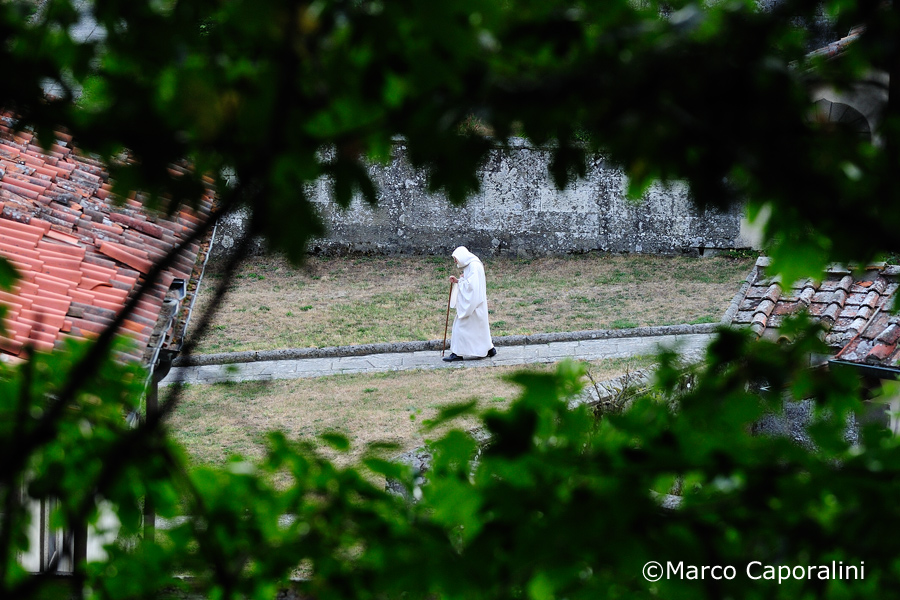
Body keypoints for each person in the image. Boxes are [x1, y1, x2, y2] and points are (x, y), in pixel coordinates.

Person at [443, 246, 497, 362]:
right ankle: (489, 349)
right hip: (477, 304)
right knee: (479, 330)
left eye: (455, 259)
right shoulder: (472, 264)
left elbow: (471, 287)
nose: (455, 261)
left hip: (473, 305)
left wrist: (460, 281)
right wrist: (459, 281)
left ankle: (457, 353)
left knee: (460, 327)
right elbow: (470, 283)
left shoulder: (473, 265)